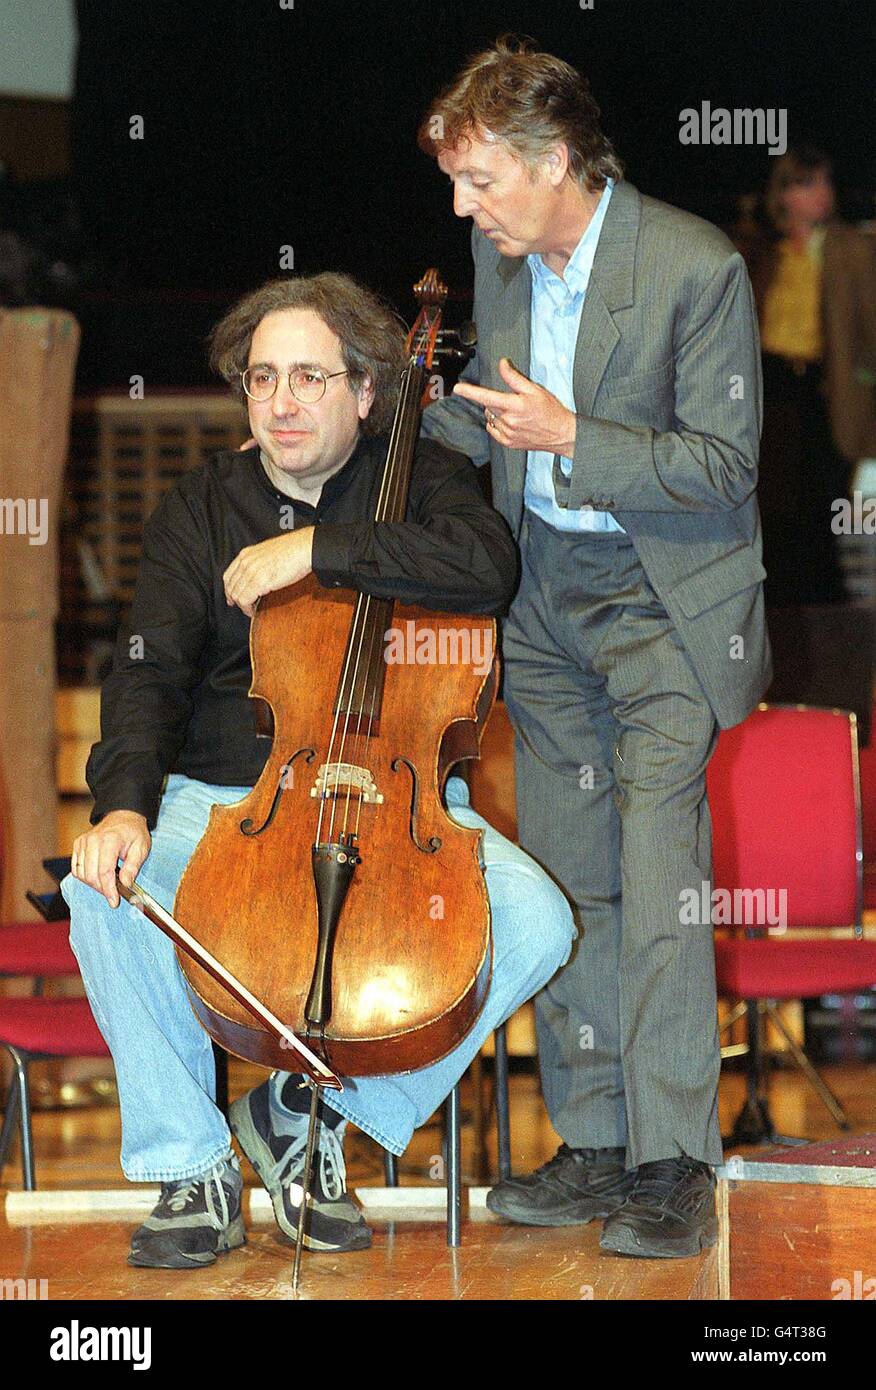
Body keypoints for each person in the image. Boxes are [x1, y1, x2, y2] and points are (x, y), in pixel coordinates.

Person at [62, 271, 574, 1269]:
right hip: (230, 802)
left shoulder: (421, 484)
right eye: (263, 380)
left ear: (366, 394)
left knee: (539, 923)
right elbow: (147, 674)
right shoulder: (200, 506)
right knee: (103, 892)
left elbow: (489, 568)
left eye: (308, 377)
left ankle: (306, 1115)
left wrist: (320, 550)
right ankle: (193, 1165)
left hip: (401, 803)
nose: (282, 401)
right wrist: (122, 807)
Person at [417, 37, 771, 1258]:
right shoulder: (498, 255)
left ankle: (676, 1161)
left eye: (480, 180)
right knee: (573, 879)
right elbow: (494, 429)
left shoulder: (695, 265)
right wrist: (398, 414)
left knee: (660, 870)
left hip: (664, 595)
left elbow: (725, 468)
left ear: (553, 159)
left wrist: (577, 434)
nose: (463, 206)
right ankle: (600, 1138)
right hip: (544, 596)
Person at [742, 145, 876, 605]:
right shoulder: (765, 250)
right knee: (776, 493)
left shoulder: (851, 247)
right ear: (784, 194)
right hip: (772, 381)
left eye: (824, 182)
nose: (821, 193)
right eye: (807, 183)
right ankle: (784, 594)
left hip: (825, 387)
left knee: (822, 494)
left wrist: (865, 388)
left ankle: (822, 597)